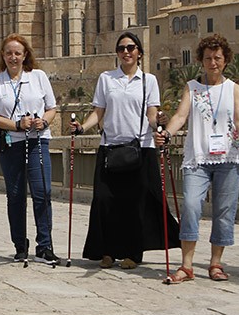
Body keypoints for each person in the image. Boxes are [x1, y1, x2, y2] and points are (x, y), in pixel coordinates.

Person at [72, 32, 181, 269]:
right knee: (104, 200)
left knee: (136, 203)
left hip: (140, 149)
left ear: (139, 52)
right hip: (110, 147)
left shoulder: (148, 81)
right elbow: (98, 112)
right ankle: (107, 251)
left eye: (131, 47)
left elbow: (152, 115)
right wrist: (82, 127)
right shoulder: (106, 78)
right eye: (121, 48)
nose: (126, 52)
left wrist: (158, 124)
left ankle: (133, 253)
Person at [154, 34, 239, 283]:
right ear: (201, 60)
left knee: (223, 210)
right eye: (208, 58)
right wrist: (167, 133)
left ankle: (215, 263)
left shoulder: (234, 89)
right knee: (190, 206)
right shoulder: (192, 88)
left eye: (217, 58)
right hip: (198, 157)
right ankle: (186, 266)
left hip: (229, 156)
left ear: (226, 60)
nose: (213, 62)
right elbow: (180, 116)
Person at [0, 33, 59, 265]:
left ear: (25, 55)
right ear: (3, 56)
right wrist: (16, 124)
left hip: (38, 141)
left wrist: (43, 122)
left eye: (17, 53)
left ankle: (44, 246)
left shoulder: (38, 77)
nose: (13, 57)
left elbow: (52, 108)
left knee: (42, 193)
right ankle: (20, 246)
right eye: (9, 53)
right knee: (15, 197)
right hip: (10, 144)